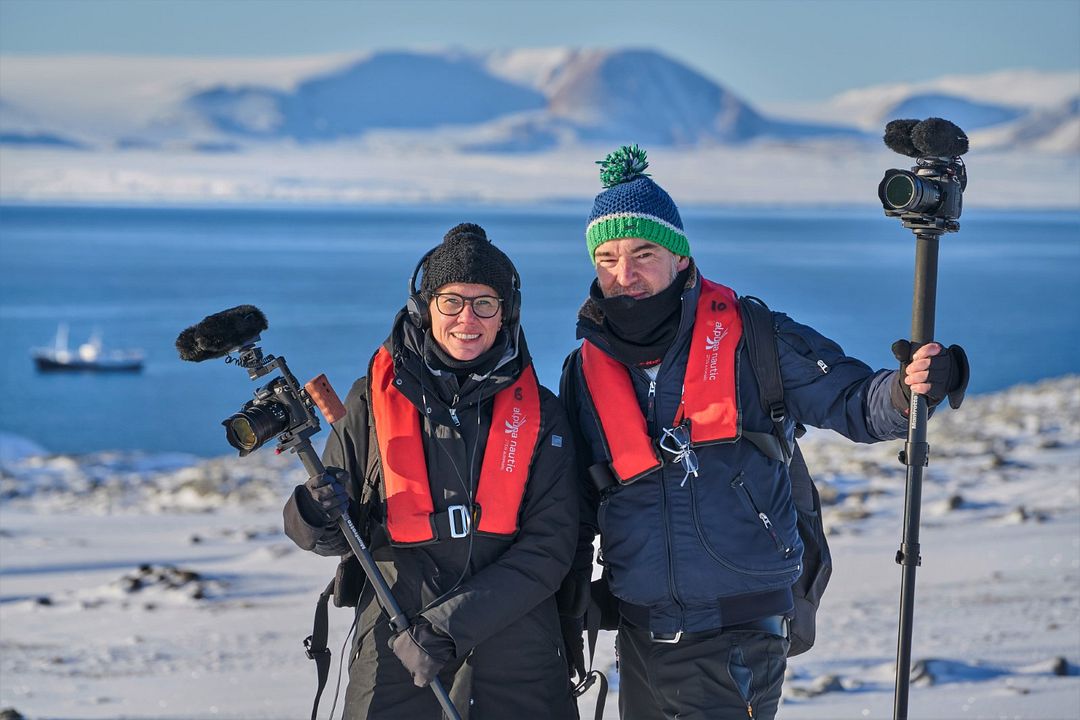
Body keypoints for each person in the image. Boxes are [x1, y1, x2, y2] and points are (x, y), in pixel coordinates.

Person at [557, 146, 969, 720]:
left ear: (679, 256)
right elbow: (575, 500)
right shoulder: (586, 369)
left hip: (738, 636)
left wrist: (907, 389)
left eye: (643, 253)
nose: (624, 275)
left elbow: (855, 402)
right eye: (607, 258)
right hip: (640, 638)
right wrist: (570, 605)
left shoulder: (753, 336)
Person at [283, 223, 579, 719]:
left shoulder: (544, 415)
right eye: (451, 301)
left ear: (506, 313)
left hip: (519, 652)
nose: (468, 318)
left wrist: (447, 626)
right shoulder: (369, 401)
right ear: (425, 308)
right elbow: (333, 537)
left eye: (484, 303)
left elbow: (551, 547)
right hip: (393, 642)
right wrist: (313, 513)